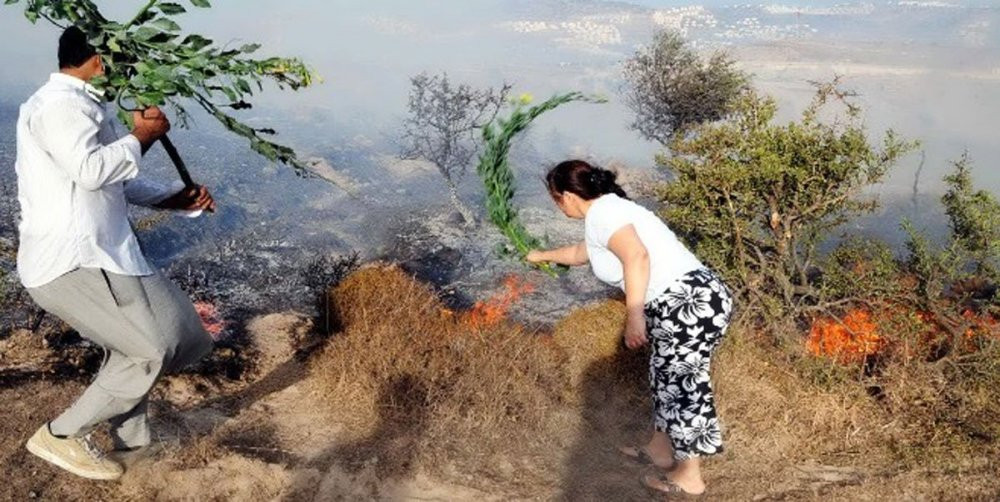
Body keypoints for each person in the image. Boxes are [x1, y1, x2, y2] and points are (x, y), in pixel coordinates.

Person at [14, 26, 217, 480]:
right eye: (120, 60)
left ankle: (131, 445)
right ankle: (61, 435)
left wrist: (172, 198)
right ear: (100, 61)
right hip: (71, 261)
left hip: (110, 253)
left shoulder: (85, 105)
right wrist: (142, 136)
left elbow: (112, 183)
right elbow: (89, 172)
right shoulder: (60, 106)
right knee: (146, 350)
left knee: (180, 333)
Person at [526, 160, 733, 498]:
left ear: (565, 196)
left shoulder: (605, 213)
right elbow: (584, 253)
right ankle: (660, 451)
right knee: (664, 376)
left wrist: (634, 315)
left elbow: (635, 257)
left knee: (683, 383)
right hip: (688, 300)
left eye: (554, 199)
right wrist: (542, 255)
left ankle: (689, 477)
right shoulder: (606, 212)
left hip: (687, 301)